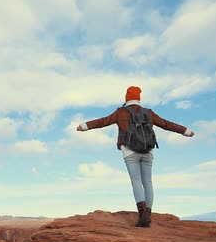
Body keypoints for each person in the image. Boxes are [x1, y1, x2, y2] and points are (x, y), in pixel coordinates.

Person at [76, 86, 195, 227]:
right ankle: (147, 215)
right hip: (148, 151)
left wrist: (84, 126)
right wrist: (186, 131)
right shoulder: (148, 113)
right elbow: (166, 124)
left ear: (127, 97)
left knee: (136, 181)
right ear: (139, 98)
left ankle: (142, 215)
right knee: (148, 183)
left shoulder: (121, 112)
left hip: (129, 151)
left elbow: (103, 122)